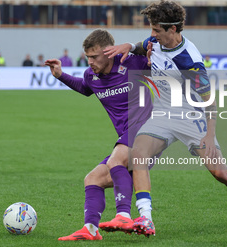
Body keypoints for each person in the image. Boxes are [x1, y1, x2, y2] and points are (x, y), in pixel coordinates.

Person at [103, 0, 227, 239]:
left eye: (156, 30)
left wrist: (209, 135)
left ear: (172, 29)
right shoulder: (156, 40)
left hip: (191, 116)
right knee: (138, 155)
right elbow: (143, 45)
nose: (151, 35)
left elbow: (210, 101)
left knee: (220, 173)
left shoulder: (190, 62)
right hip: (163, 113)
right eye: (151, 29)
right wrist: (129, 46)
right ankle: (146, 218)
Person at [45, 29, 152, 241]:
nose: (90, 61)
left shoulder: (133, 63)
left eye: (94, 57)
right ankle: (90, 230)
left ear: (109, 52)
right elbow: (85, 88)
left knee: (115, 161)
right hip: (126, 136)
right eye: (87, 57)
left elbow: (159, 63)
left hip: (147, 130)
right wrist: (60, 75)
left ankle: (123, 215)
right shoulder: (91, 75)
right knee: (92, 178)